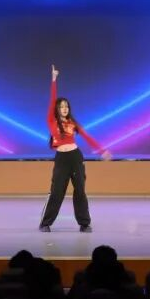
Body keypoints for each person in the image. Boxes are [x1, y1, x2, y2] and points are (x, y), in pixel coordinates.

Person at [39, 65, 110, 232]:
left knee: (80, 191)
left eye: (66, 106)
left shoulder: (73, 123)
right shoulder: (51, 121)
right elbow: (52, 99)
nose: (64, 109)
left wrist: (102, 151)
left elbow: (86, 136)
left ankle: (84, 223)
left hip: (75, 157)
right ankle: (46, 223)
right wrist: (54, 80)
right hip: (62, 159)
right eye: (61, 106)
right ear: (57, 109)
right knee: (57, 191)